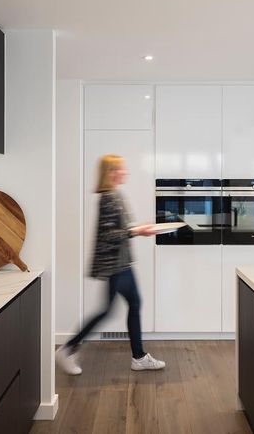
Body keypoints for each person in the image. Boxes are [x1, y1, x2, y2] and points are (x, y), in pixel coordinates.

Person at [56, 154, 166, 375]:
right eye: (121, 169)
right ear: (111, 173)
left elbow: (122, 229)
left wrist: (140, 228)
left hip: (123, 262)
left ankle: (139, 356)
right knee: (108, 310)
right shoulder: (108, 197)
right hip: (115, 264)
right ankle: (68, 349)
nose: (125, 172)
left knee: (133, 304)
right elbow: (109, 235)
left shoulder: (116, 195)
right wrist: (137, 230)